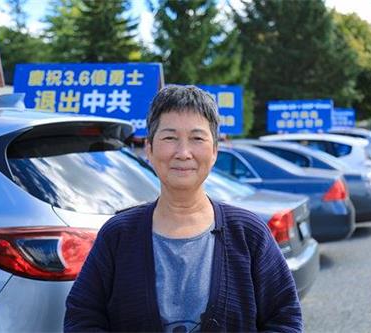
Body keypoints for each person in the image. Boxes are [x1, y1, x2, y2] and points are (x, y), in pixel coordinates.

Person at [64, 85, 303, 332]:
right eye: (170, 137)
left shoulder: (249, 233)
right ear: (149, 148)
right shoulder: (118, 234)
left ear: (214, 151)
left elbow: (284, 318)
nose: (183, 153)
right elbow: (83, 315)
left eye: (197, 138)